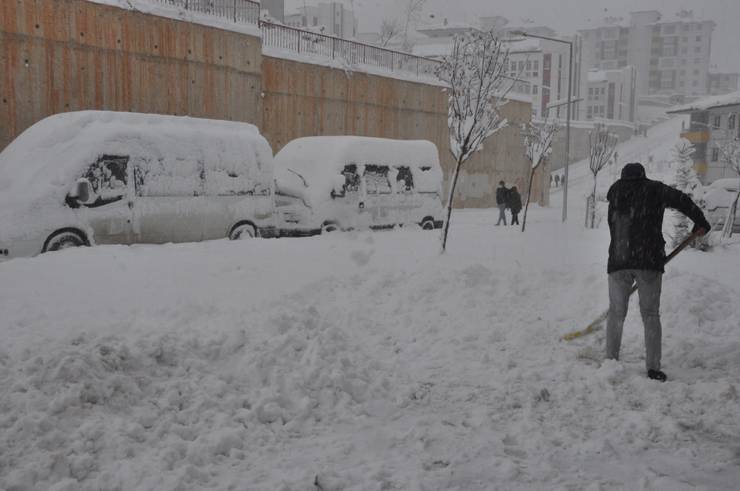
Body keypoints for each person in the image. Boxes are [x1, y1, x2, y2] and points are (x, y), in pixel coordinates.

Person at [605, 163, 710, 382]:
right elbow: (682, 199)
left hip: (619, 260)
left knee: (616, 312)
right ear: (643, 175)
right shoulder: (654, 189)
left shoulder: (615, 190)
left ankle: (610, 360)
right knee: (651, 315)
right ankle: (653, 368)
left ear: (624, 177)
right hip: (648, 260)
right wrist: (700, 221)